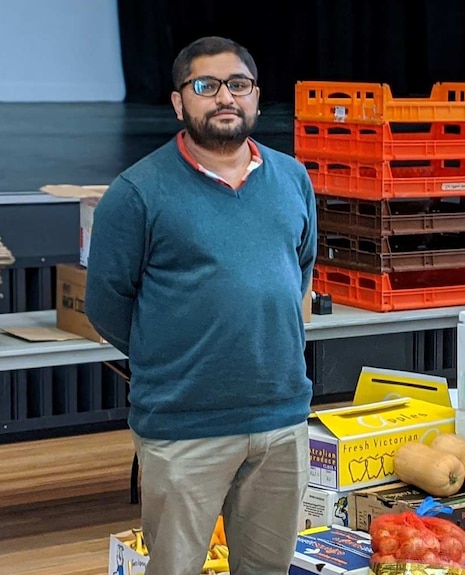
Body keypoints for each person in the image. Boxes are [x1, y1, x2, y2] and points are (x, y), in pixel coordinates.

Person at [85, 36, 317, 575]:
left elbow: (298, 270)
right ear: (178, 101)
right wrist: (172, 352)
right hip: (183, 426)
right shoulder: (137, 192)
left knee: (268, 568)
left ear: (256, 97)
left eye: (237, 85)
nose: (224, 98)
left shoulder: (292, 178)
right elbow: (107, 304)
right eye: (205, 86)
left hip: (281, 419)